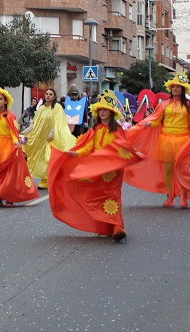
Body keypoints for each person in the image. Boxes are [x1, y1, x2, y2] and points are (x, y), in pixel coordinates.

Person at [48, 91, 145, 242]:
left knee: (113, 196)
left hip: (113, 170)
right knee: (98, 197)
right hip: (97, 168)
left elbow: (124, 146)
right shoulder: (95, 129)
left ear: (111, 112)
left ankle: (118, 227)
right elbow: (88, 147)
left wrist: (134, 153)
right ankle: (106, 227)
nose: (102, 112)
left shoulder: (117, 130)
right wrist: (76, 153)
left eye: (105, 110)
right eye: (100, 110)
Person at [125, 73, 190, 208]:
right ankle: (170, 197)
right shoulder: (165, 104)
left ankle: (183, 197)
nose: (175, 89)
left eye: (178, 87)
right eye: (174, 87)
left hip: (183, 141)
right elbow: (156, 118)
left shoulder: (188, 105)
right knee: (168, 171)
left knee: (182, 170)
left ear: (183, 89)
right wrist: (148, 124)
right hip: (165, 141)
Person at [21, 88, 75, 189]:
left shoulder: (57, 107)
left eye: (50, 94)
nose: (48, 96)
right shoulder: (41, 108)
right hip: (40, 139)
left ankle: (52, 179)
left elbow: (59, 122)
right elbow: (34, 123)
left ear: (54, 97)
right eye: (46, 94)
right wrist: (25, 132)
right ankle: (44, 180)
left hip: (52, 139)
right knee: (41, 159)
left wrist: (52, 134)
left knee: (49, 158)